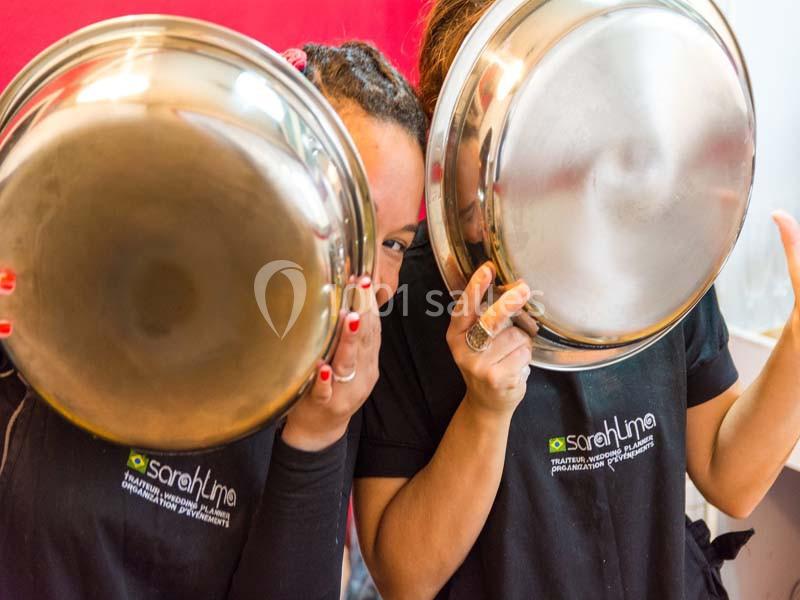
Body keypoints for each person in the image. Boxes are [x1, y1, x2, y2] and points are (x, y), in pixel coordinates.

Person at [352, 2, 800, 599]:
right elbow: (404, 577)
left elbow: (730, 475)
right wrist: (484, 413)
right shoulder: (409, 297)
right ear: (452, 127)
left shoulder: (659, 250)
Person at [0, 41, 426, 600]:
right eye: (351, 218)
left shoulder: (330, 393)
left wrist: (318, 436)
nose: (379, 281)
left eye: (395, 243)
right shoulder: (83, 289)